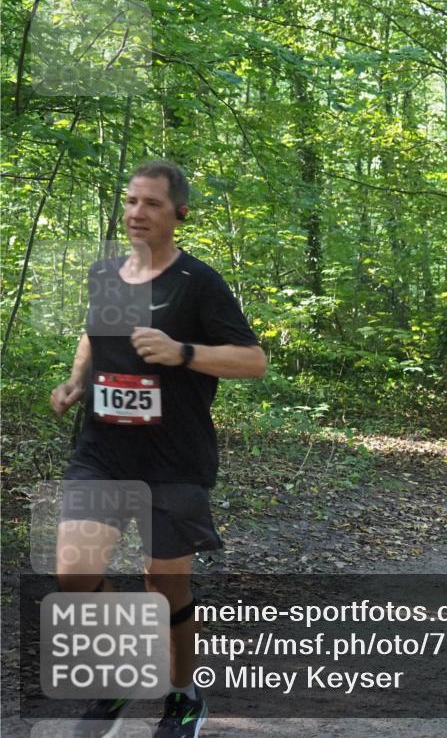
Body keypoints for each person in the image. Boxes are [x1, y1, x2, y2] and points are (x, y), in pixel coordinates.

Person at [50, 161, 267, 738]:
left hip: (174, 459)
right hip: (102, 451)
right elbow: (93, 334)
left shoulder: (199, 283)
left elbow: (254, 361)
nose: (136, 213)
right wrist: (76, 381)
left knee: (164, 583)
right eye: (130, 201)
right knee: (73, 571)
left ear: (179, 213)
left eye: (150, 203)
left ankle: (182, 694)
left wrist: (184, 353)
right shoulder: (107, 276)